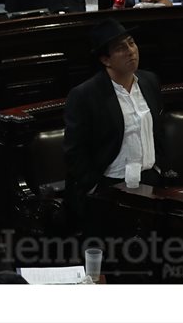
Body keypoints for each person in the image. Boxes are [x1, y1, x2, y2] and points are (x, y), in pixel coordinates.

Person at [64, 20, 170, 228]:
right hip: (111, 186)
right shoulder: (85, 95)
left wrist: (161, 168)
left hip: (151, 180)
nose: (131, 51)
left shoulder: (149, 81)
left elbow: (159, 130)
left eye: (131, 43)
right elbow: (74, 151)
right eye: (121, 48)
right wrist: (94, 187)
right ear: (106, 60)